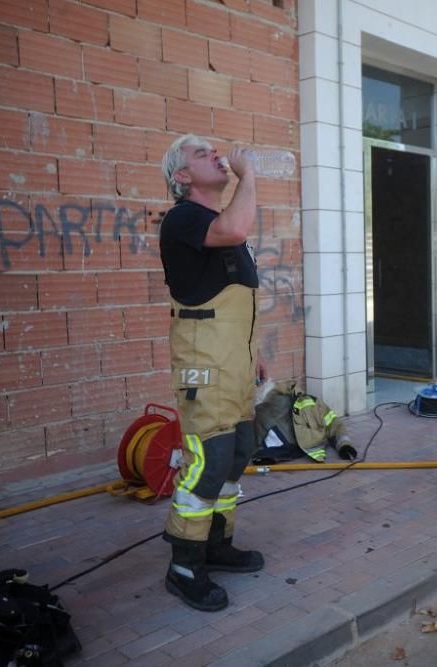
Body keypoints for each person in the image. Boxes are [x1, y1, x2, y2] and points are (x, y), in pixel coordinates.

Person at [158, 134, 265, 612]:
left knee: (238, 452)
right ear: (182, 177)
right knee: (209, 457)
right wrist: (250, 175)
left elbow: (233, 301)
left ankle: (217, 544)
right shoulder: (184, 217)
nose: (216, 155)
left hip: (234, 359)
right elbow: (238, 228)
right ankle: (184, 565)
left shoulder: (214, 222)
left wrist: (252, 354)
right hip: (204, 361)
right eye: (201, 154)